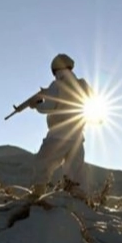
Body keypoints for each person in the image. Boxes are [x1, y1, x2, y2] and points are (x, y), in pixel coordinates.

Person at [27, 53, 91, 196]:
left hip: (58, 135)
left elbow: (49, 107)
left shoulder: (57, 84)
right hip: (77, 136)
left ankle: (37, 195)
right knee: (76, 172)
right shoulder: (82, 84)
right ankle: (78, 201)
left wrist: (36, 104)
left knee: (42, 163)